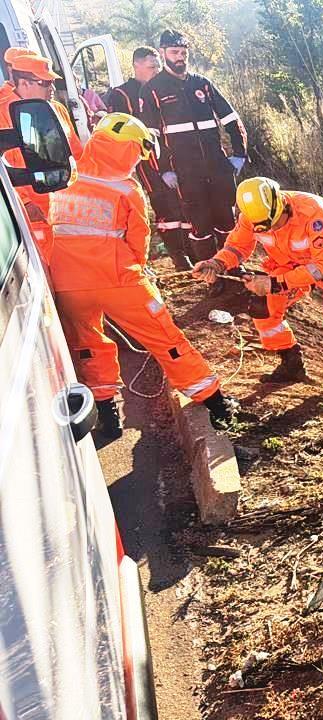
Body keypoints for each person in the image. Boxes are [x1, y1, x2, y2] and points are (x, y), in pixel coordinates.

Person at [47, 113, 234, 439]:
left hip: (67, 284)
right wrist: (135, 273)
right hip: (119, 280)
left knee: (88, 346)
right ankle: (216, 403)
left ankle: (106, 414)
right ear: (125, 149)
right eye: (136, 153)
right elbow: (138, 240)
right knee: (166, 340)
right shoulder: (125, 188)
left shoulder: (65, 177)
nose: (136, 162)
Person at [191, 177, 323, 414]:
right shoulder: (252, 216)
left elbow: (321, 267)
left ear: (282, 205)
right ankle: (291, 362)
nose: (272, 230)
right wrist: (216, 264)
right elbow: (238, 246)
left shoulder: (314, 212)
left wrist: (275, 283)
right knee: (262, 308)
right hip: (289, 265)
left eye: (275, 224)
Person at [140, 29, 247, 264]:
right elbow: (149, 137)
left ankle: (233, 267)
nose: (180, 57)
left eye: (183, 52)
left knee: (226, 219)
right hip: (185, 171)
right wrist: (163, 169)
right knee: (200, 224)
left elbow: (231, 119)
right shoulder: (152, 90)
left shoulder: (202, 84)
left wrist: (239, 154)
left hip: (217, 165)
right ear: (163, 53)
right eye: (174, 52)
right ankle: (212, 278)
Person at [107, 46, 192, 269]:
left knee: (184, 203)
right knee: (164, 205)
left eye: (158, 66)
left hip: (176, 156)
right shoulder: (121, 95)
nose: (156, 71)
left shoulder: (165, 87)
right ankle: (177, 255)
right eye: (151, 67)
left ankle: (191, 249)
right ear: (136, 66)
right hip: (147, 161)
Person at [0, 48, 84, 259]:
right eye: (45, 83)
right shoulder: (3, 113)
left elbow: (77, 155)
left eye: (52, 82)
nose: (53, 88)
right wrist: (25, 204)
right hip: (32, 214)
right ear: (24, 83)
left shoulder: (57, 109)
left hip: (65, 208)